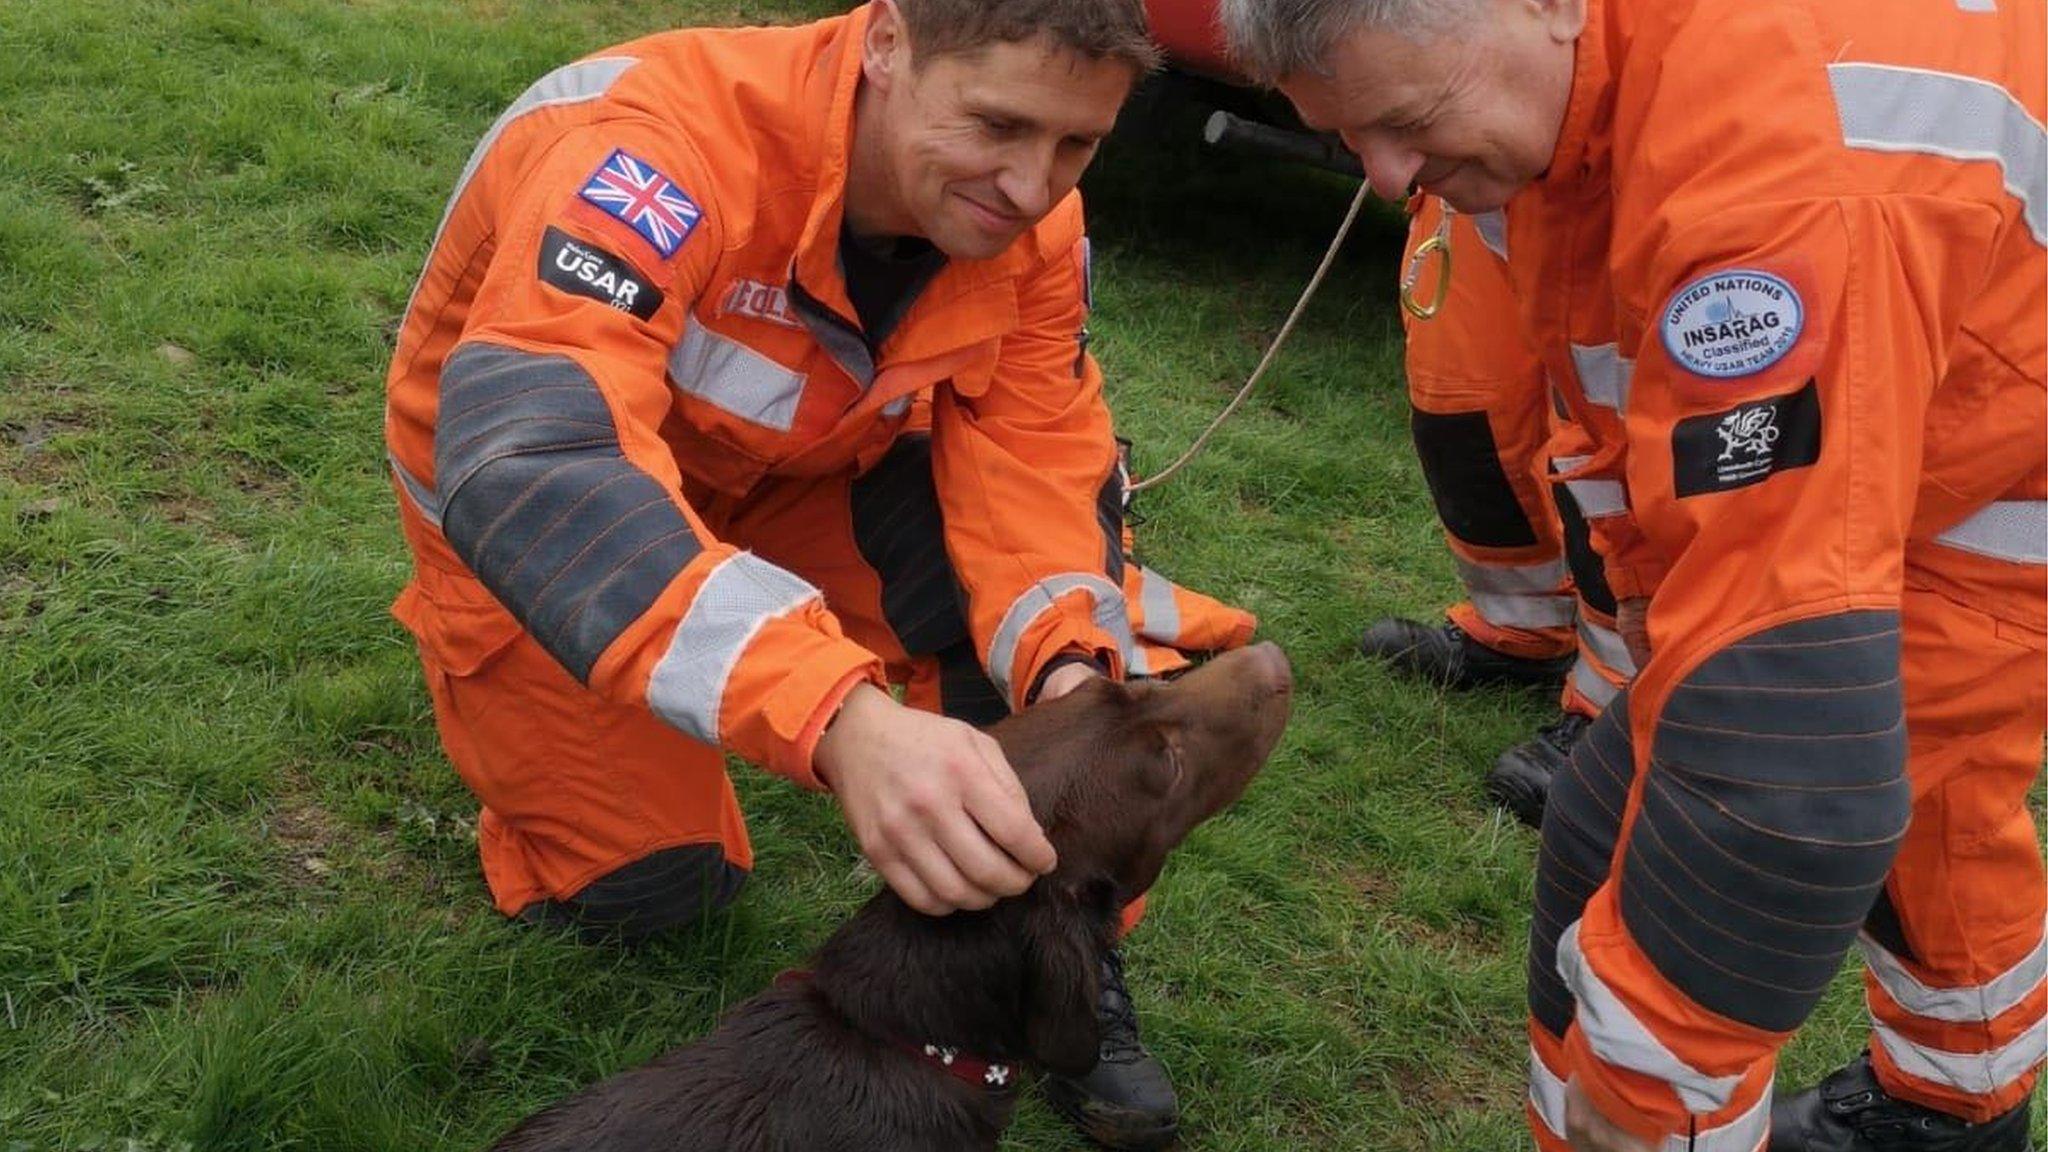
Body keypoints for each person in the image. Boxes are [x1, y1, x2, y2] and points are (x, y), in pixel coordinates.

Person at [381, 3, 1256, 1147]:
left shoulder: (1028, 217)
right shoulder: (653, 145)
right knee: (656, 895)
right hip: (555, 536)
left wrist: (1068, 685)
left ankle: (1061, 969)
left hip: (800, 485)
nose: (1032, 185)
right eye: (997, 123)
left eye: (1075, 146)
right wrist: (836, 717)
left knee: (1079, 661)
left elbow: (1034, 461)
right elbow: (536, 466)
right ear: (886, 42)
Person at [1218, 1, 2047, 1150]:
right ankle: (1953, 1105)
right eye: (1348, 134)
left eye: (1403, 120)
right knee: (1858, 798)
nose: (1382, 176)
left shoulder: (1775, 180)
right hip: (1945, 382)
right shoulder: (1573, 92)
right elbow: (1626, 414)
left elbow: (1785, 762)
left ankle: (1948, 1108)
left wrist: (1651, 1079)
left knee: (1847, 796)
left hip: (1995, 448)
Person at [1361, 193, 1635, 827]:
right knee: (1464, 400)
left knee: (1609, 426)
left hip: (1630, 149)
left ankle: (1620, 711)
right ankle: (1520, 629)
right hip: (1475, 134)